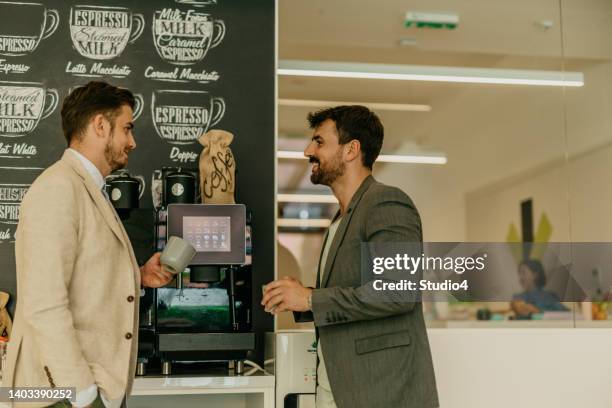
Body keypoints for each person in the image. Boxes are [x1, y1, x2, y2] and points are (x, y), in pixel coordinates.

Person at [2, 81, 173, 408]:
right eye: (127, 128)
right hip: (58, 395)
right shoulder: (58, 188)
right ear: (100, 125)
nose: (133, 142)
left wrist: (138, 276)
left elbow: (84, 277)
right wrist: (82, 392)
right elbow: (43, 301)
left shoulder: (88, 189)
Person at [262, 106, 438, 408]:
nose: (308, 150)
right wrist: (301, 297)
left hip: (381, 392)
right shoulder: (340, 218)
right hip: (339, 389)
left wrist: (308, 299)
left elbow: (397, 292)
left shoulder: (387, 203)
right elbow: (358, 291)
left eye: (319, 142)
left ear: (351, 149)